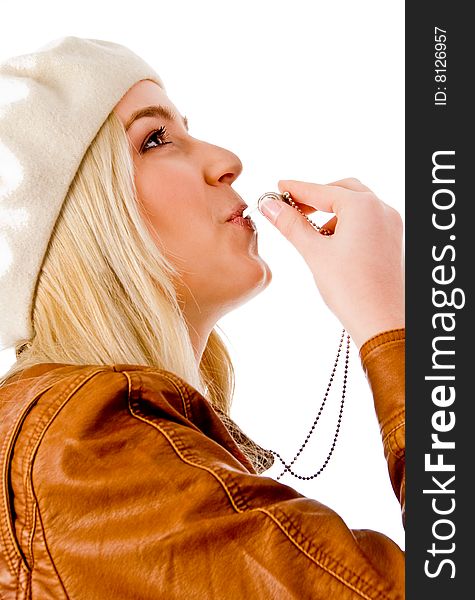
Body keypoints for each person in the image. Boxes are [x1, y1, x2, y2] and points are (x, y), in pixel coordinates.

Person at [0, 36, 405, 599]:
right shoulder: (84, 446)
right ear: (79, 220)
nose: (226, 161)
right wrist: (391, 323)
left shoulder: (99, 445)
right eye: (156, 138)